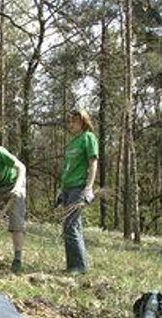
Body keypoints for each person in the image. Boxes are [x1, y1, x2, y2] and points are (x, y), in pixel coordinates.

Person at [56, 108, 98, 274]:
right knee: (73, 226)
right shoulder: (72, 142)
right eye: (69, 121)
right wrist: (61, 190)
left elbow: (93, 163)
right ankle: (74, 265)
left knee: (70, 226)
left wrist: (89, 188)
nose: (70, 124)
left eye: (74, 121)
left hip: (79, 187)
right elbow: (67, 168)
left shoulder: (88, 138)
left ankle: (79, 267)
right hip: (67, 187)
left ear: (83, 122)